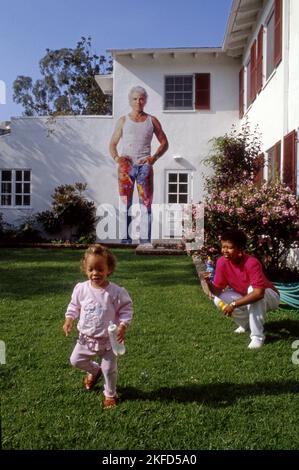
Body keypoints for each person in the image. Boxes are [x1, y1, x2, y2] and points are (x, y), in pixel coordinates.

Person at [63, 244, 133, 409]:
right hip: (85, 339)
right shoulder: (81, 289)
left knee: (109, 370)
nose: (95, 273)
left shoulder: (115, 292)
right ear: (85, 269)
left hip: (109, 341)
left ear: (109, 269)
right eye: (91, 269)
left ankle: (110, 394)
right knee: (75, 360)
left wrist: (123, 325)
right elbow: (74, 306)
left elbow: (126, 309)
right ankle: (95, 371)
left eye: (100, 269)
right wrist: (69, 319)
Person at [109, 85, 168, 245]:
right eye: (135, 99)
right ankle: (126, 240)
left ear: (145, 100)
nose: (138, 102)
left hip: (145, 167)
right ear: (130, 101)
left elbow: (164, 142)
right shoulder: (123, 120)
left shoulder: (152, 120)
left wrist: (153, 158)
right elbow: (112, 144)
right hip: (125, 168)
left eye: (141, 98)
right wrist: (117, 158)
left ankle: (145, 241)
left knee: (145, 204)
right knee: (125, 204)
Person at [202, 230, 280, 349]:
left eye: (230, 247)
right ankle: (246, 324)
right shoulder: (222, 262)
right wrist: (208, 282)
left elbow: (259, 293)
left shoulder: (251, 263)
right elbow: (217, 291)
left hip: (270, 296)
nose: (225, 251)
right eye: (223, 247)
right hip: (247, 294)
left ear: (240, 249)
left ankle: (257, 336)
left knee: (252, 290)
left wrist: (233, 304)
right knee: (218, 300)